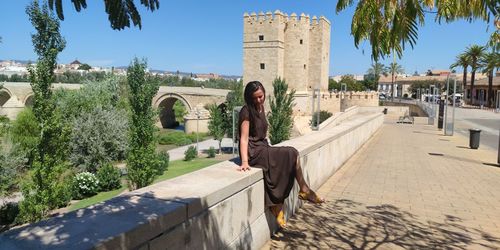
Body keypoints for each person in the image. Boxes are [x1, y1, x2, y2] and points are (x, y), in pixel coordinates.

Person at [238, 81, 324, 228]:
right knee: (290, 153)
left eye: (261, 96)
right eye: (255, 98)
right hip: (253, 152)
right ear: (249, 98)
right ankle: (299, 193)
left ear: (264, 93)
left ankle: (298, 193)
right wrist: (245, 162)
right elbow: (244, 138)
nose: (259, 100)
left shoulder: (261, 107)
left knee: (292, 155)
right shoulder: (246, 111)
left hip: (262, 147)